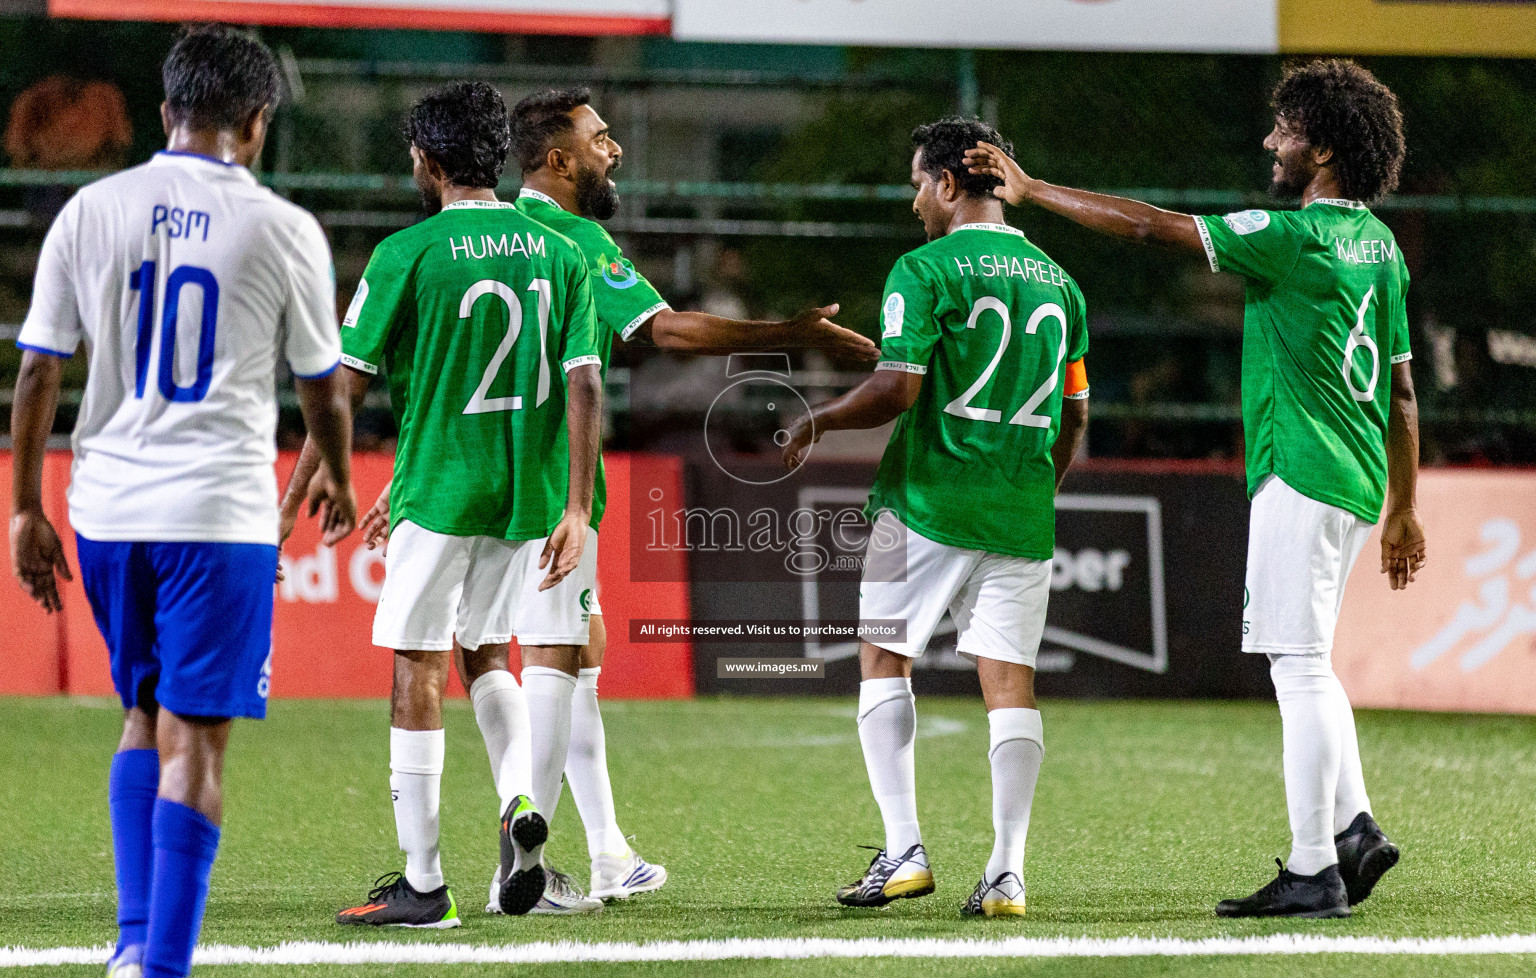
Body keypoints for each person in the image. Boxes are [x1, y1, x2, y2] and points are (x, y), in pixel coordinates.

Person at [358, 85, 879, 912]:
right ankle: (524, 868)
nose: (617, 150)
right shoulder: (563, 237)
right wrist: (791, 333)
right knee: (556, 656)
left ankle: (605, 852)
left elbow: (455, 379)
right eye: (601, 139)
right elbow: (661, 331)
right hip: (548, 496)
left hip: (474, 482)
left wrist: (405, 475)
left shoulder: (462, 238)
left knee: (542, 652)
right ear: (557, 159)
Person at [965, 58, 1423, 918]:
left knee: (1298, 666)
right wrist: (1404, 506)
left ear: (1322, 146)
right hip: (1359, 481)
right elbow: (1401, 390)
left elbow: (1148, 227)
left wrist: (1031, 189)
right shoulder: (1381, 247)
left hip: (1302, 470)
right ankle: (1355, 828)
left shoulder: (1294, 239)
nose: (1270, 140)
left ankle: (1314, 865)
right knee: (1313, 657)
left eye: (1284, 129)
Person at [8, 26, 356, 978]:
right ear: (256, 123)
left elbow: (39, 368)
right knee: (197, 742)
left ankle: (129, 952)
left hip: (108, 508)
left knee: (140, 717)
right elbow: (322, 386)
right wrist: (332, 465)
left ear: (166, 111)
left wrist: (28, 503)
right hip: (216, 512)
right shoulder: (285, 228)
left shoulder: (91, 208)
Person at [281, 80, 603, 926]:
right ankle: (520, 803)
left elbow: (338, 391)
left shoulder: (407, 253)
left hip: (440, 490)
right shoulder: (562, 255)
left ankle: (423, 883)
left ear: (426, 160)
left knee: (415, 669)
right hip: (526, 499)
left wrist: (301, 495)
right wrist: (574, 506)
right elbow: (586, 385)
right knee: (489, 651)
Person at [781, 116, 1090, 918]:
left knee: (883, 659)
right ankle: (1008, 871)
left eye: (919, 182)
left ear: (950, 184)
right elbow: (1078, 411)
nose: (915, 199)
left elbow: (897, 386)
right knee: (1011, 687)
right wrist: (1033, 483)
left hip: (921, 504)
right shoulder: (1062, 281)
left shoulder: (922, 270)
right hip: (1019, 510)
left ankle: (904, 850)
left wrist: (816, 419)